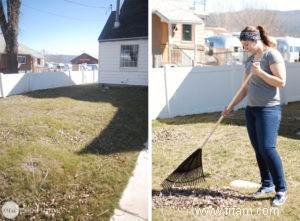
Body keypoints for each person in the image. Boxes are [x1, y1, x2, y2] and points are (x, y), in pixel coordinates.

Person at [222, 26, 287, 206]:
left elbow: (281, 82)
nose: (245, 48)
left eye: (246, 44)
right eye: (243, 45)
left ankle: (281, 189)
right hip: (251, 110)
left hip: (269, 109)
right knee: (258, 149)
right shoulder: (250, 60)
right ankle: (266, 184)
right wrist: (231, 106)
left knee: (267, 148)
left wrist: (261, 73)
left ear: (255, 39)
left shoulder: (271, 55)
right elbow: (245, 88)